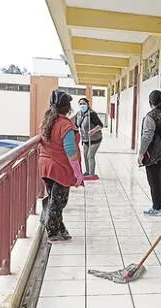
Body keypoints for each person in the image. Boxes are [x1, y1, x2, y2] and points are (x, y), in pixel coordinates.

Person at [38, 90, 84, 244]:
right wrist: (78, 173)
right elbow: (70, 151)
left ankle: (59, 228)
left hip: (46, 167)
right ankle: (52, 232)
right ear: (68, 107)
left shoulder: (47, 121)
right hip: (59, 169)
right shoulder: (65, 125)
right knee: (58, 202)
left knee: (54, 199)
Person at [74, 97, 103, 178]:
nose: (82, 105)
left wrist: (93, 131)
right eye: (80, 104)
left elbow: (100, 125)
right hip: (85, 139)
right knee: (85, 155)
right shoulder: (78, 115)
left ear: (87, 104)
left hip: (95, 139)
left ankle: (92, 173)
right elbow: (75, 126)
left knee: (90, 155)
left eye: (84, 103)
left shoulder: (92, 114)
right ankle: (87, 172)